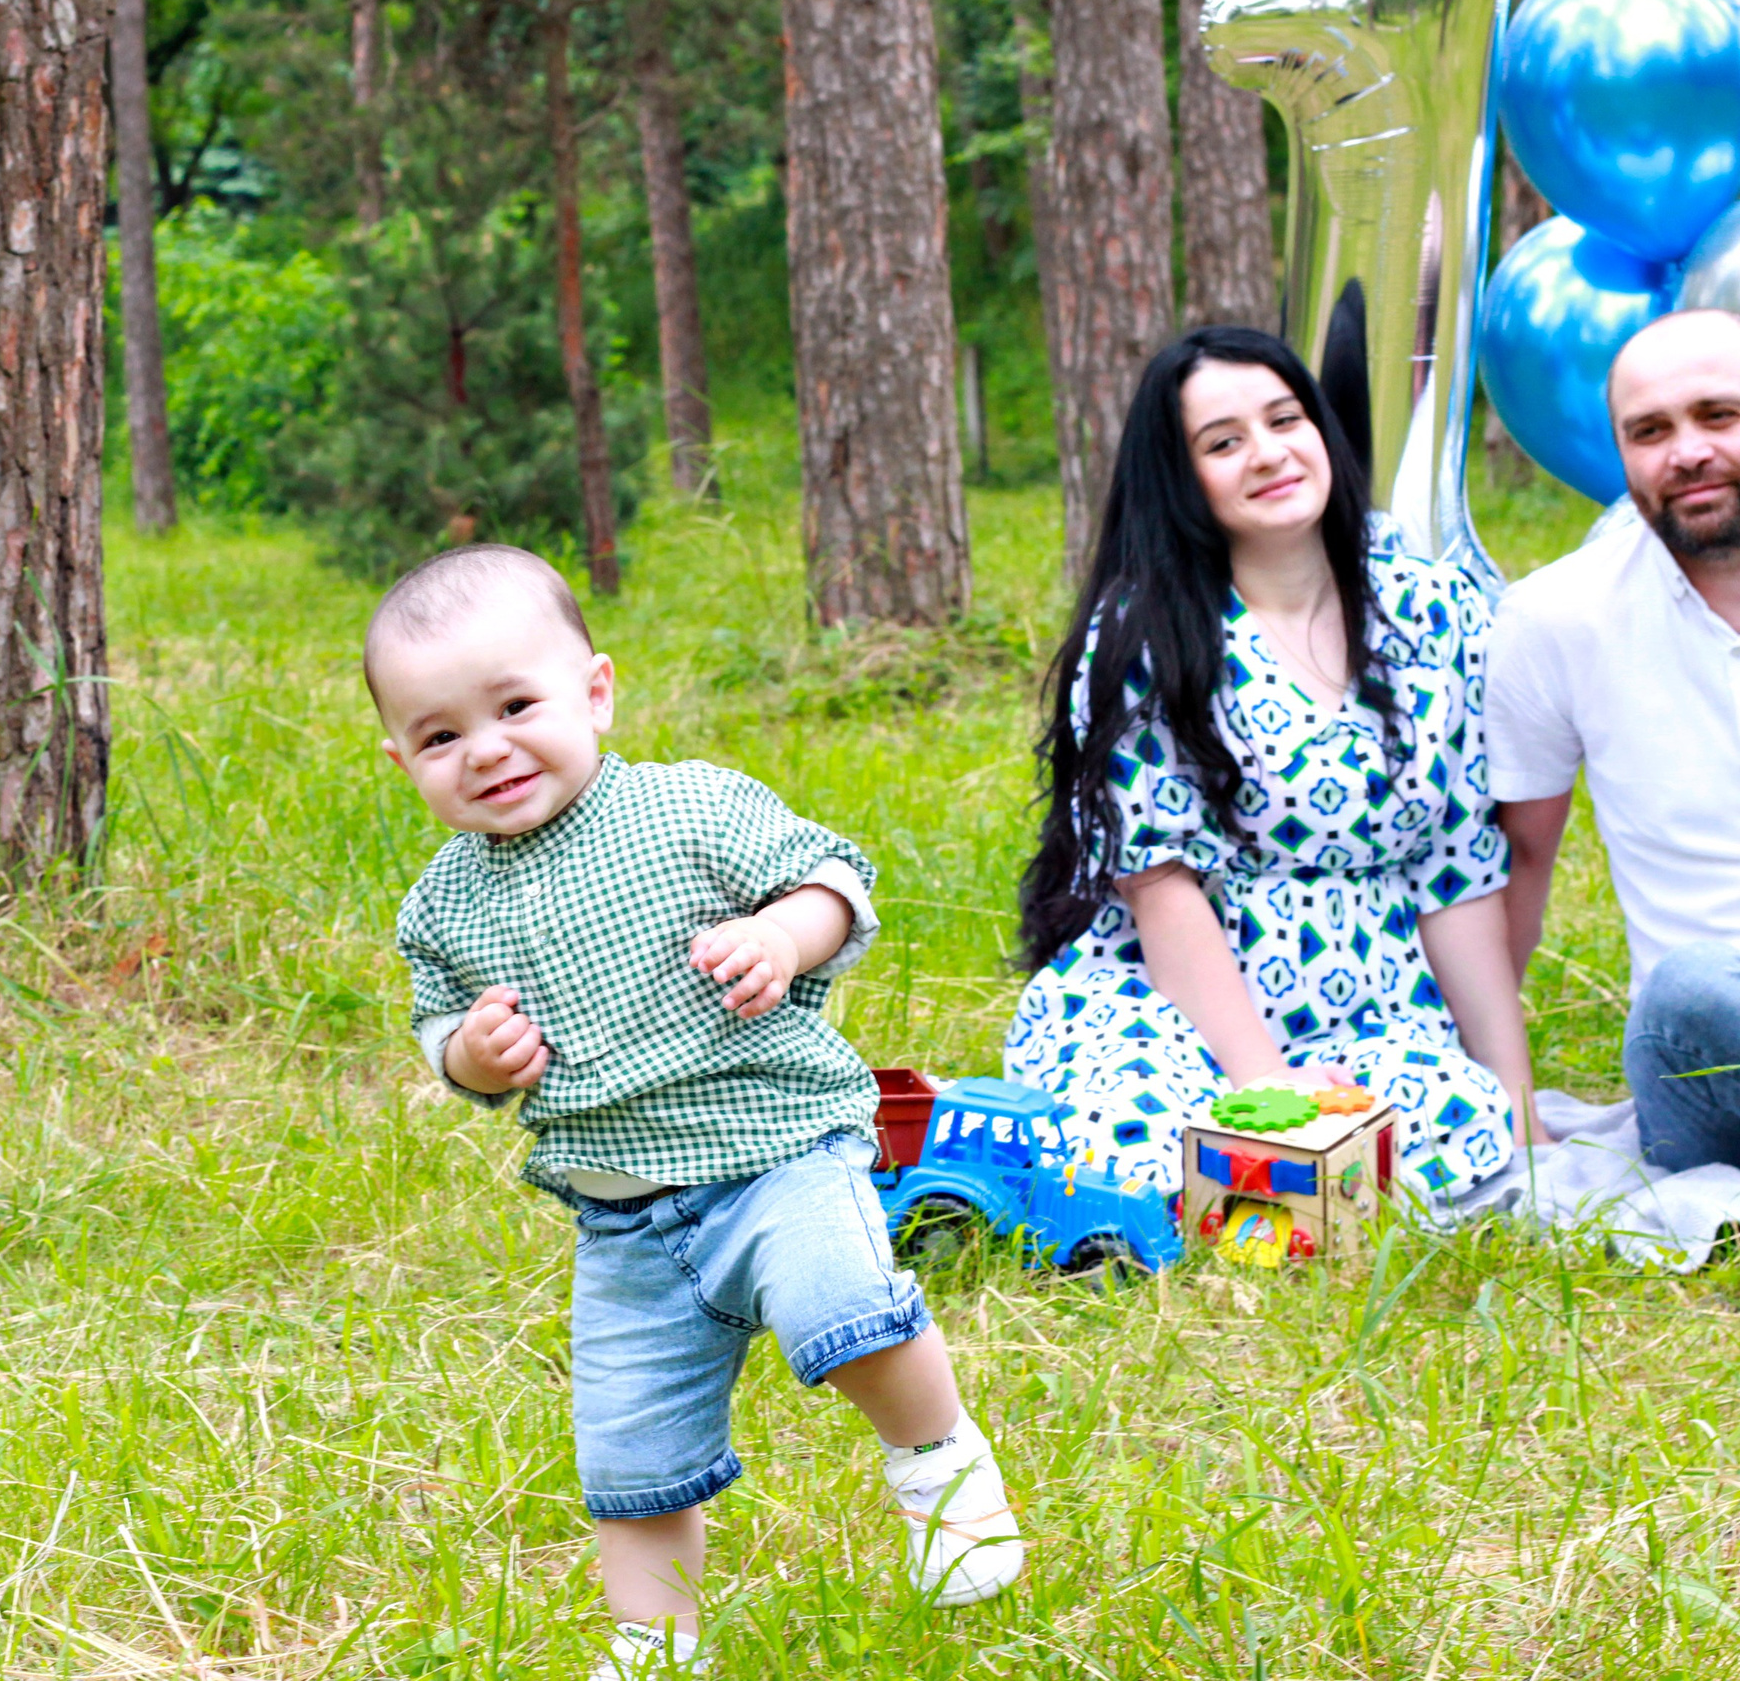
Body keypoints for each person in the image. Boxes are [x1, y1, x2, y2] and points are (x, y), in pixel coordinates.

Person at [371, 545, 1021, 1677]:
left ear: (596, 692)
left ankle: (937, 1463)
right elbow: (440, 1035)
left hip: (777, 1152)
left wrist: (782, 934)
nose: (485, 750)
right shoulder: (440, 907)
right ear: (401, 760)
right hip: (621, 1224)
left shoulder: (688, 809)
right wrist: (474, 1056)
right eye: (439, 736)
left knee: (843, 1306)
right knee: (629, 1450)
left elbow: (835, 879)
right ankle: (654, 1647)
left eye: (515, 706)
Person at [1005, 325, 1539, 1198]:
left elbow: (1456, 873)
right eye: (1223, 442)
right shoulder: (1145, 633)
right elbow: (1161, 886)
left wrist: (1518, 1100)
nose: (1268, 453)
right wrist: (1263, 1090)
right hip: (1177, 1005)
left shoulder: (1436, 609)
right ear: (1181, 478)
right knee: (1145, 1150)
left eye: (1285, 419)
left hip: (1373, 1008)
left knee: (1460, 1117)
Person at [1491, 308, 1740, 1171]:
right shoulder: (1559, 618)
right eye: (1650, 431)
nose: (1687, 451)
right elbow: (1519, 861)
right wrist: (1499, 1096)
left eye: (1719, 415)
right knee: (1695, 986)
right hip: (1710, 1051)